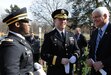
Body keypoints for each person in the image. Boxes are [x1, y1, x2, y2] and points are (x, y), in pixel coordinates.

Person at [0, 7, 40, 75]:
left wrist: (34, 66)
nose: (29, 24)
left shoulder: (20, 40)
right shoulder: (11, 45)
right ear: (17, 24)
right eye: (26, 22)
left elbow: (24, 65)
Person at [41, 9, 80, 75]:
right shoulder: (49, 36)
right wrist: (59, 60)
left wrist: (75, 56)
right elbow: (44, 54)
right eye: (60, 19)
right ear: (54, 21)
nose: (63, 21)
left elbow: (77, 50)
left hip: (69, 71)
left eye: (64, 19)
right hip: (55, 71)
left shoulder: (71, 35)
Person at [86, 7, 111, 75]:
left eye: (96, 17)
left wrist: (103, 63)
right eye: (93, 17)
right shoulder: (95, 32)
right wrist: (90, 59)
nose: (94, 20)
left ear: (105, 16)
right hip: (95, 72)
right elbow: (92, 50)